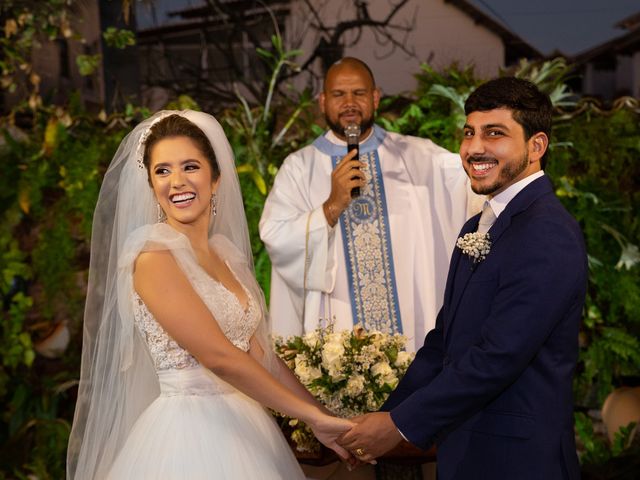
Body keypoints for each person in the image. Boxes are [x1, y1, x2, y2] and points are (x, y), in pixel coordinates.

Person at [66, 110, 354, 479]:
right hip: (187, 436)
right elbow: (219, 356)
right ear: (151, 185)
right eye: (162, 171)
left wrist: (321, 418)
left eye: (190, 166)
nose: (177, 182)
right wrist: (310, 416)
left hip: (245, 427)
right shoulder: (154, 256)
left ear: (215, 179)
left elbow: (259, 354)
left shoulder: (226, 256)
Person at [339, 77, 588, 480]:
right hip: (467, 453)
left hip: (519, 462)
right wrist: (384, 417)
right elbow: (444, 344)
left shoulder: (547, 232)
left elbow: (498, 357)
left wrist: (398, 426)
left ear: (536, 146)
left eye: (495, 134)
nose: (474, 148)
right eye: (469, 133)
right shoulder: (477, 226)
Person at [260, 57, 481, 351]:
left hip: (412, 333)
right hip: (337, 342)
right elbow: (276, 237)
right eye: (339, 95)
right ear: (323, 101)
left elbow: (477, 185)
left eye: (359, 93)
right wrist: (330, 207)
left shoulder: (419, 157)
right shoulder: (299, 168)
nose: (349, 103)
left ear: (375, 98)